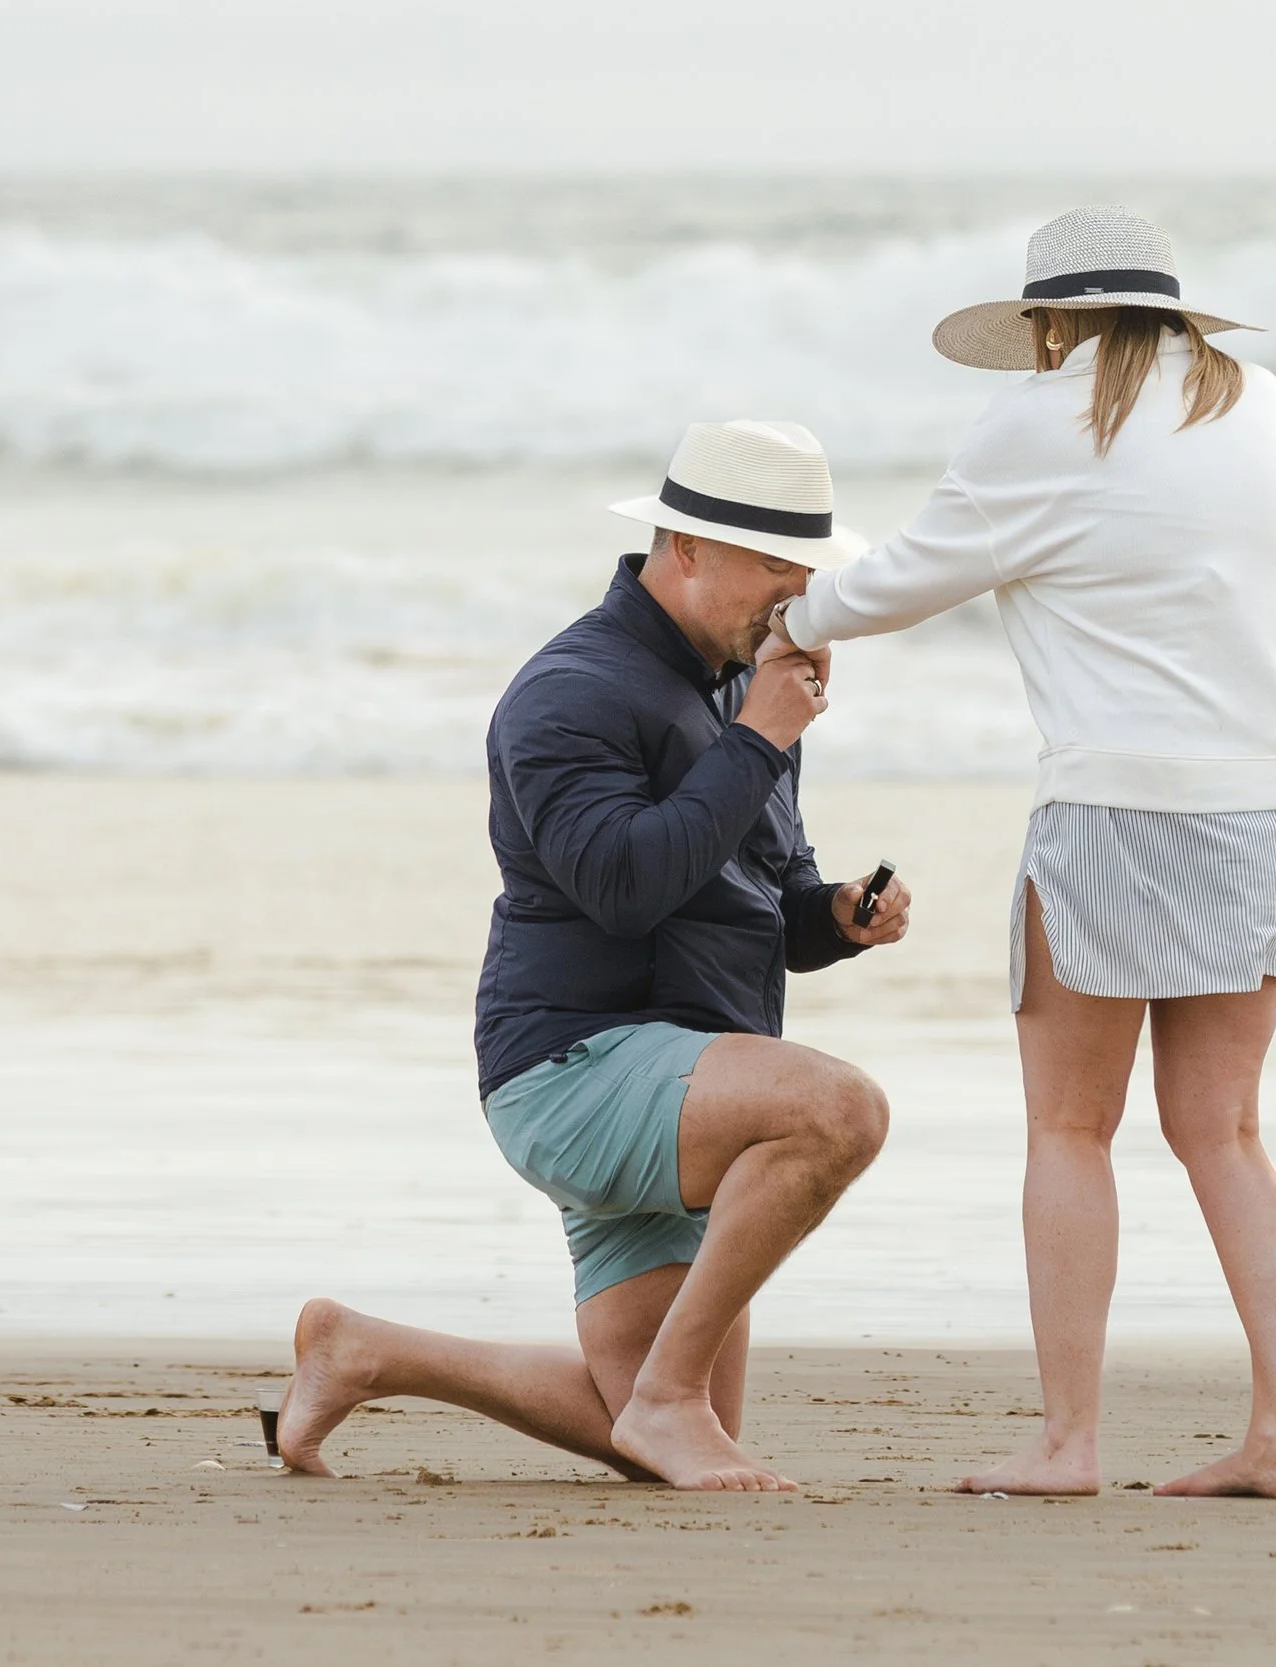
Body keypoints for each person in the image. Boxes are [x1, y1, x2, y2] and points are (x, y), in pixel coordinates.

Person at [774, 207, 1276, 1499]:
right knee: (1227, 1128)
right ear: (1176, 314)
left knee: (1072, 1125)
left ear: (1047, 326)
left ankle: (1070, 1440)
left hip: (1120, 805)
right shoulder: (1262, 402)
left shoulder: (1043, 420)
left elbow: (904, 580)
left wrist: (787, 619)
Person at [279, 419, 911, 1492]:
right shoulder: (569, 689)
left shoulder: (737, 684)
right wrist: (761, 737)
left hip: (688, 1073)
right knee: (839, 1111)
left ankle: (362, 1349)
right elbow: (620, 887)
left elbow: (758, 891)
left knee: (667, 1429)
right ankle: (664, 1394)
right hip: (571, 1066)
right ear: (687, 547)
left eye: (806, 569)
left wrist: (835, 915)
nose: (794, 593)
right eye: (772, 565)